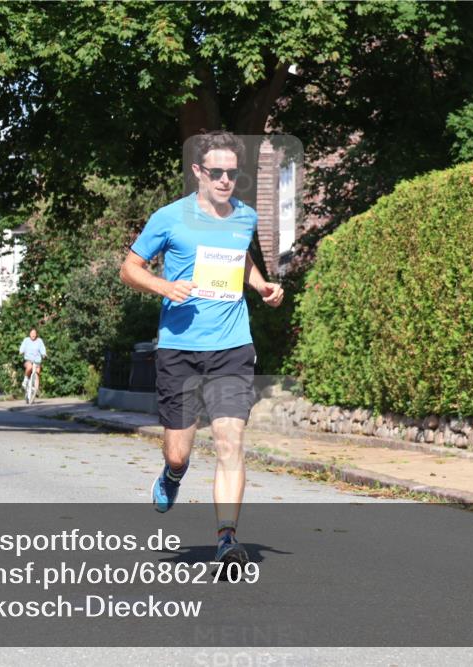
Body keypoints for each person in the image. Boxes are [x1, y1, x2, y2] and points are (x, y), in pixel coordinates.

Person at [119, 130, 284, 565]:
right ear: (198, 172)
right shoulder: (169, 218)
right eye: (217, 173)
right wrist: (163, 286)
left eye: (232, 173)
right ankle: (173, 473)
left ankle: (227, 539)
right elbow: (129, 268)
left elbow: (240, 260)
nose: (226, 180)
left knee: (231, 442)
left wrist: (261, 285)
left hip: (232, 345)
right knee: (179, 450)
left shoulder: (244, 217)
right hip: (180, 348)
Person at [18, 328, 47, 393]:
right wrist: (21, 351)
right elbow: (22, 347)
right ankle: (25, 380)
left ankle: (36, 390)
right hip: (28, 359)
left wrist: (44, 354)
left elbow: (42, 349)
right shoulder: (26, 340)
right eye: (32, 333)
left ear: (36, 334)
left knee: (37, 373)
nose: (33, 335)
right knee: (30, 367)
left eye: (34, 333)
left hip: (37, 361)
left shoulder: (39, 341)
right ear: (29, 334)